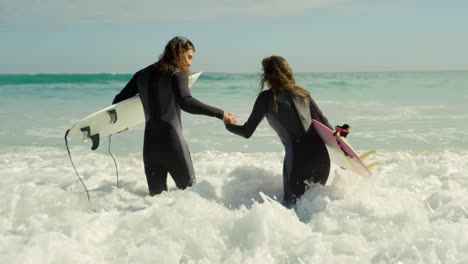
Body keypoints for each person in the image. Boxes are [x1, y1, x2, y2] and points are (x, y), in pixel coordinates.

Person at [112, 36, 236, 195]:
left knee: (155, 203)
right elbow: (186, 102)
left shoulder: (141, 74)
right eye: (189, 57)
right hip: (173, 146)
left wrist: (121, 124)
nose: (190, 63)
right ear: (179, 52)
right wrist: (221, 114)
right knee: (192, 197)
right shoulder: (178, 73)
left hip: (150, 148)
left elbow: (118, 101)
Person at [225, 55, 333, 205]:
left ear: (266, 75)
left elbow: (246, 132)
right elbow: (327, 125)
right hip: (322, 159)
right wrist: (345, 153)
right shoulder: (303, 94)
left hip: (298, 162)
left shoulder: (266, 98)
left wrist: (228, 125)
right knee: (314, 209)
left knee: (292, 208)